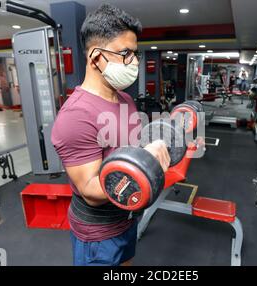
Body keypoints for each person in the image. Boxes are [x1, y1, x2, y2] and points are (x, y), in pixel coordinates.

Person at [51, 4, 170, 266]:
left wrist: (153, 145)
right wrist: (145, 161)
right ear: (95, 57)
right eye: (125, 53)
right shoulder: (75, 116)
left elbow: (130, 148)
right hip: (98, 234)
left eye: (135, 53)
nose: (135, 62)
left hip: (127, 215)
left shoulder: (126, 99)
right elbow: (91, 190)